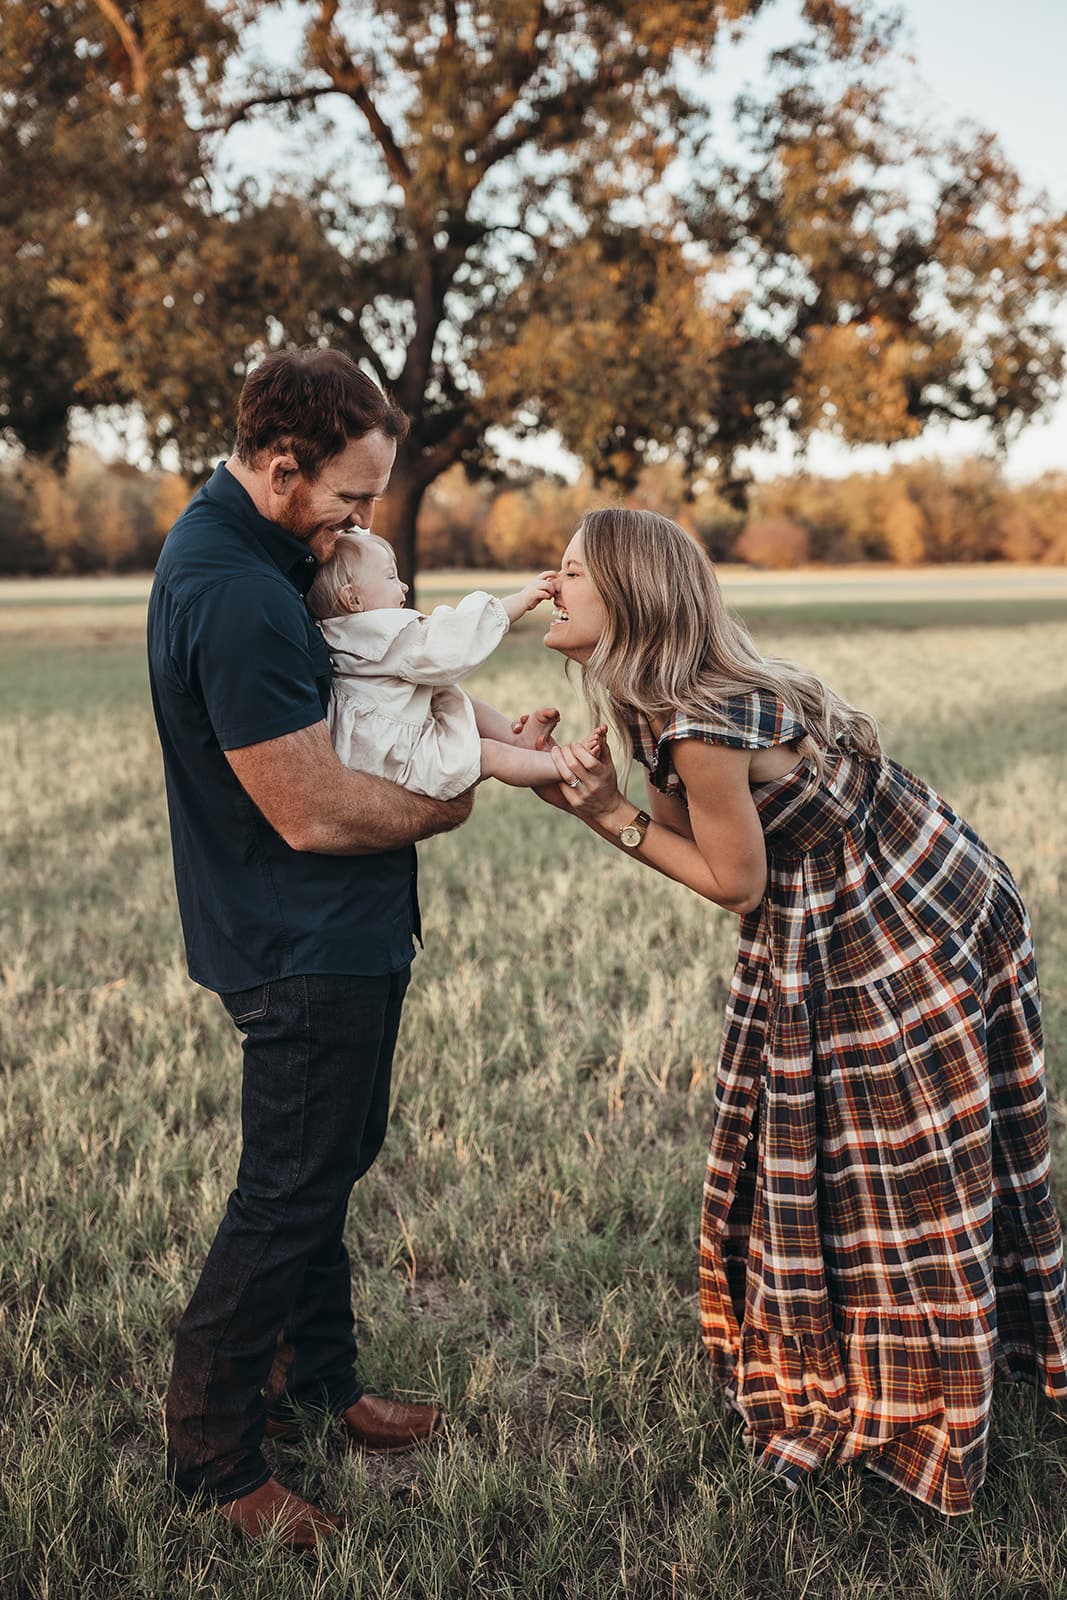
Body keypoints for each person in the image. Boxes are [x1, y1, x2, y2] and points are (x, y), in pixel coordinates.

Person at [535, 507, 1067, 1516]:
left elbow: (735, 883)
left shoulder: (701, 723)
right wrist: (619, 796)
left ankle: (922, 1390)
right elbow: (710, 842)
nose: (548, 586)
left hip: (904, 932)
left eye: (569, 570)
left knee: (905, 1172)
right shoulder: (664, 707)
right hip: (901, 903)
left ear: (631, 598)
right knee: (867, 1159)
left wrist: (604, 814)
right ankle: (917, 1349)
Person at [147, 347, 474, 1548]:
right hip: (295, 938)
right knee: (285, 1193)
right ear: (283, 465)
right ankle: (213, 1458)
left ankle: (317, 1381)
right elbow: (311, 809)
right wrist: (452, 796)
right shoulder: (232, 588)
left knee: (329, 1162)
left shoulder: (276, 552)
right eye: (350, 495)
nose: (362, 522)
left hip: (340, 928)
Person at [307, 530, 595, 796]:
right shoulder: (383, 635)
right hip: (399, 760)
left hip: (376, 751)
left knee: (444, 692)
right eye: (391, 577)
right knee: (488, 755)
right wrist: (517, 603)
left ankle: (514, 736)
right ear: (353, 599)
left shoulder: (339, 633)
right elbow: (452, 643)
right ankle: (566, 765)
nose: (403, 586)